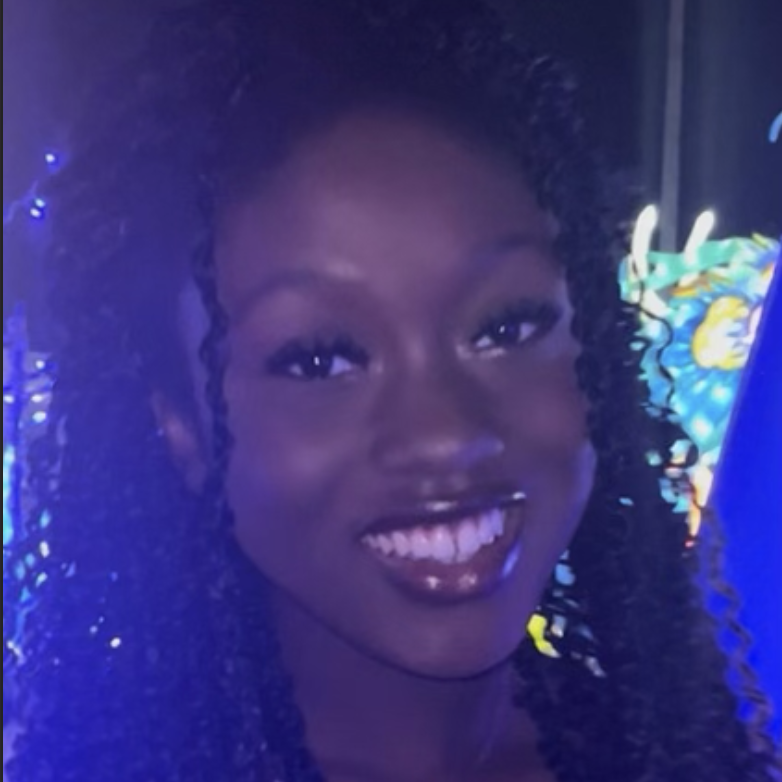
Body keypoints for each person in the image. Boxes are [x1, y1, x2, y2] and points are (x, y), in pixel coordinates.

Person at [3, 1, 780, 780]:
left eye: (506, 326)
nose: (447, 432)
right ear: (179, 430)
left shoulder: (688, 758)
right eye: (321, 360)